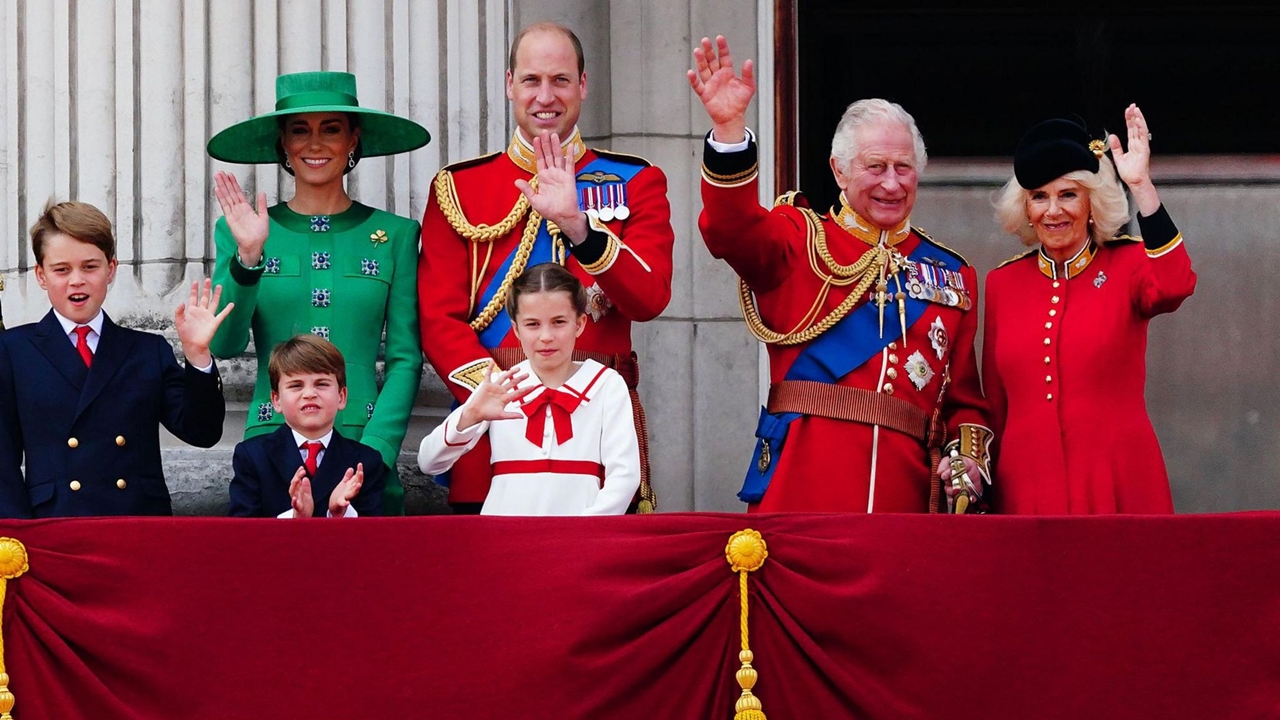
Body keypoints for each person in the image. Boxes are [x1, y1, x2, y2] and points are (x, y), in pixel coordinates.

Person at [688, 36, 992, 513]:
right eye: (875, 167)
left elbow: (965, 404)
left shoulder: (953, 275)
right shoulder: (798, 240)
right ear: (839, 170)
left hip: (904, 502)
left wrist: (967, 463)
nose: (891, 183)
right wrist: (729, 132)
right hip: (801, 492)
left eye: (904, 168)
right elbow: (730, 229)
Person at [418, 21, 673, 514]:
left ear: (583, 85)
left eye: (560, 80)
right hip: (496, 433)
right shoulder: (460, 188)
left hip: (598, 429)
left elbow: (650, 298)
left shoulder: (636, 180)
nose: (545, 96)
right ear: (510, 83)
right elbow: (437, 320)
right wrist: (499, 400)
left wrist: (581, 228)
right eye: (532, 80)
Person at [207, 71, 428, 515]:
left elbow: (406, 358)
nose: (314, 144)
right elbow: (224, 344)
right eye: (299, 130)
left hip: (364, 446)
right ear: (282, 143)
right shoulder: (244, 231)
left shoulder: (397, 234)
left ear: (353, 139)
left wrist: (376, 451)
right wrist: (248, 256)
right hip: (271, 450)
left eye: (331, 129)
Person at [984, 106, 1195, 514]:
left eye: (1068, 195)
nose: (1053, 210)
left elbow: (1175, 285)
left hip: (1118, 481)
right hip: (1026, 491)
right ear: (1025, 208)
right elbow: (996, 403)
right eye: (1039, 197)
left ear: (1092, 202)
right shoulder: (1003, 284)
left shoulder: (1128, 264)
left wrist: (1141, 186)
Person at [0, 200, 229, 517]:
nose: (77, 280)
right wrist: (16, 536)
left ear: (111, 269)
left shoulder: (148, 350)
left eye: (90, 266)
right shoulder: (13, 350)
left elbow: (202, 432)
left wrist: (198, 356)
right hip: (54, 526)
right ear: (41, 276)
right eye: (61, 269)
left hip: (136, 524)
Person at [418, 263, 641, 516]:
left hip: (580, 538)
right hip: (504, 537)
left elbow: (625, 476)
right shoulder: (501, 386)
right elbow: (429, 461)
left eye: (558, 322)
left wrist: (585, 532)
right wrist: (470, 415)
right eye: (533, 324)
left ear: (579, 324)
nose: (546, 336)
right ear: (516, 329)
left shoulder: (606, 384)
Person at [229, 335, 386, 518]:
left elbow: (373, 537)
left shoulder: (365, 462)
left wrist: (338, 514)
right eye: (296, 386)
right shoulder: (253, 456)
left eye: (321, 384)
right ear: (276, 400)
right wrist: (296, 518)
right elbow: (241, 534)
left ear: (341, 397)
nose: (310, 394)